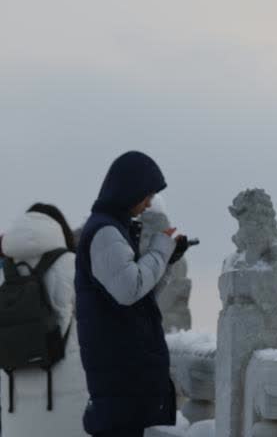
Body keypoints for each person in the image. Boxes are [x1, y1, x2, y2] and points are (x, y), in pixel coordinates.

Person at [75, 151, 189, 437]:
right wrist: (161, 249)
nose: (149, 203)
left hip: (120, 370)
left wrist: (168, 259)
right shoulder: (105, 232)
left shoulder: (113, 229)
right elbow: (128, 290)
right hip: (118, 371)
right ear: (130, 191)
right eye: (147, 195)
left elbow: (140, 293)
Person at [0, 203, 88, 437]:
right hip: (67, 383)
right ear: (59, 230)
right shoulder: (72, 264)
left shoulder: (4, 271)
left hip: (12, 391)